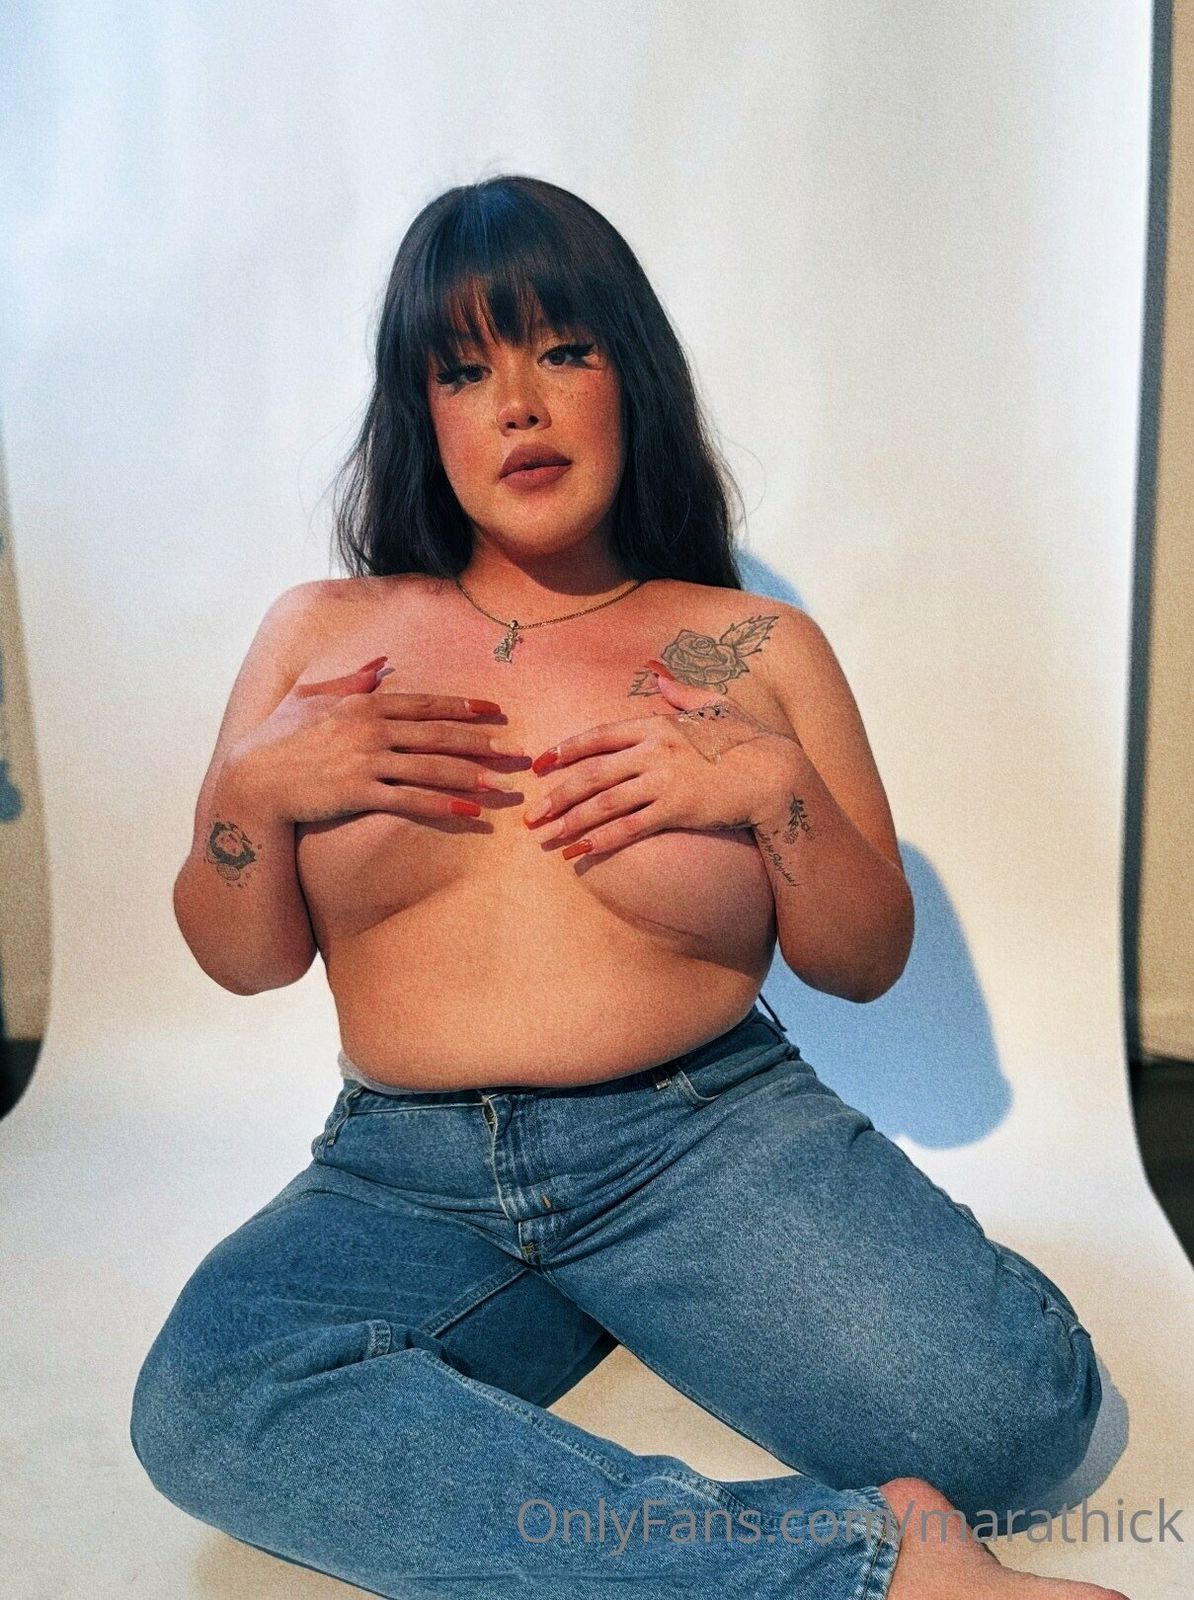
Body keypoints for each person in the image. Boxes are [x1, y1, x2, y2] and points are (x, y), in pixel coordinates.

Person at [130, 175, 1126, 1599]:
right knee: (207, 1399)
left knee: (1014, 1429)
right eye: (462, 371)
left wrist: (771, 790)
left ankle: (624, 1299)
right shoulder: (320, 634)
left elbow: (862, 962)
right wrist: (253, 794)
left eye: (562, 350)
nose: (517, 405)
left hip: (701, 1147)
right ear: (421, 415)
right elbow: (242, 960)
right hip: (403, 1174)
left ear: (630, 377)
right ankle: (863, 1571)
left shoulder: (751, 644)